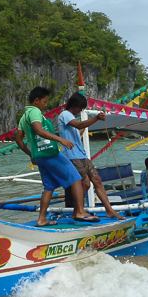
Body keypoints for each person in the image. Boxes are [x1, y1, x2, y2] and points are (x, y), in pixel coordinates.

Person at [14, 86, 97, 226]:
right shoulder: (34, 112)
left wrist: (31, 154)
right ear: (36, 100)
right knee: (76, 178)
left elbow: (18, 139)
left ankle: (41, 219)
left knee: (49, 186)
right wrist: (61, 140)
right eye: (44, 102)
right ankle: (79, 212)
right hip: (50, 153)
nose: (45, 105)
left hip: (40, 156)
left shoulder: (24, 116)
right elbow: (39, 130)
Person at [58, 92, 123, 220]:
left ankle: (109, 210)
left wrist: (90, 123)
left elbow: (79, 131)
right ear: (75, 105)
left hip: (81, 155)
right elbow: (79, 125)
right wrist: (96, 119)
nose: (80, 110)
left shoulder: (71, 117)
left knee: (96, 180)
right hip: (72, 156)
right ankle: (78, 211)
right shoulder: (65, 115)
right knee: (85, 183)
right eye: (80, 108)